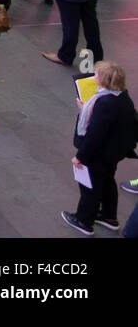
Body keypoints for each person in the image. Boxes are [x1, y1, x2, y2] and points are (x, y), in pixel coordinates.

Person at [62, 61, 138, 236]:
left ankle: (83, 220)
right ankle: (109, 216)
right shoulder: (123, 96)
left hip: (99, 154)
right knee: (107, 181)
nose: (93, 76)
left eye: (96, 74)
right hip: (114, 152)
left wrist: (80, 156)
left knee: (89, 186)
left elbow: (95, 135)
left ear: (104, 80)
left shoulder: (104, 104)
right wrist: (86, 109)